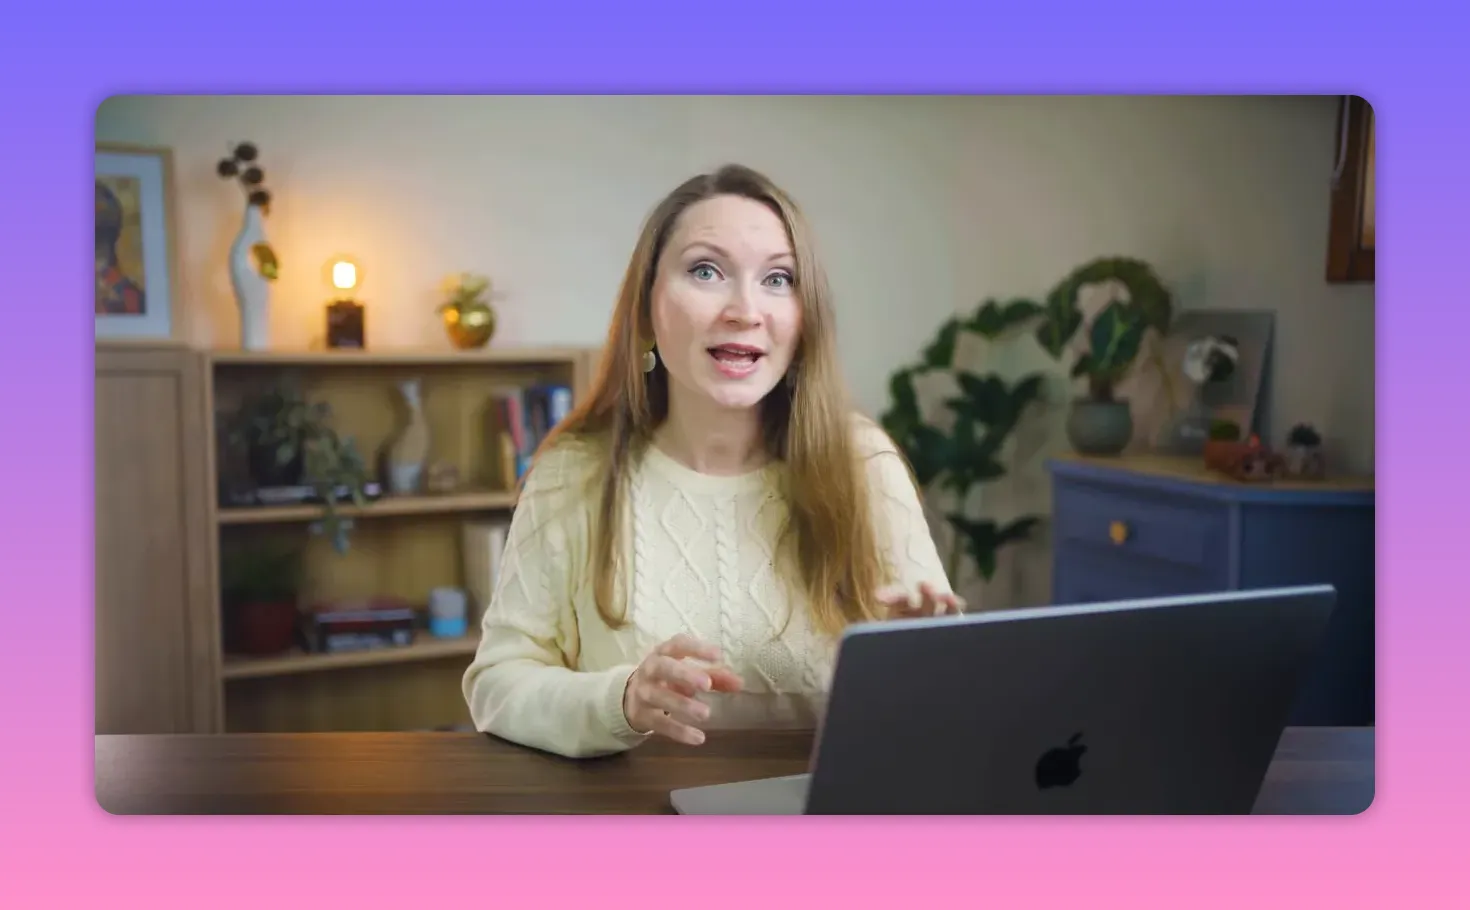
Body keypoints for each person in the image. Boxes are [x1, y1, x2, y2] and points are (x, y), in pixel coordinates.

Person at [461, 163, 958, 759]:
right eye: (706, 271)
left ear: (805, 319)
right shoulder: (573, 471)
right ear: (646, 310)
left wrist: (920, 663)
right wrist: (621, 701)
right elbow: (497, 684)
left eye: (778, 279)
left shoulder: (864, 463)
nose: (746, 309)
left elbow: (937, 710)